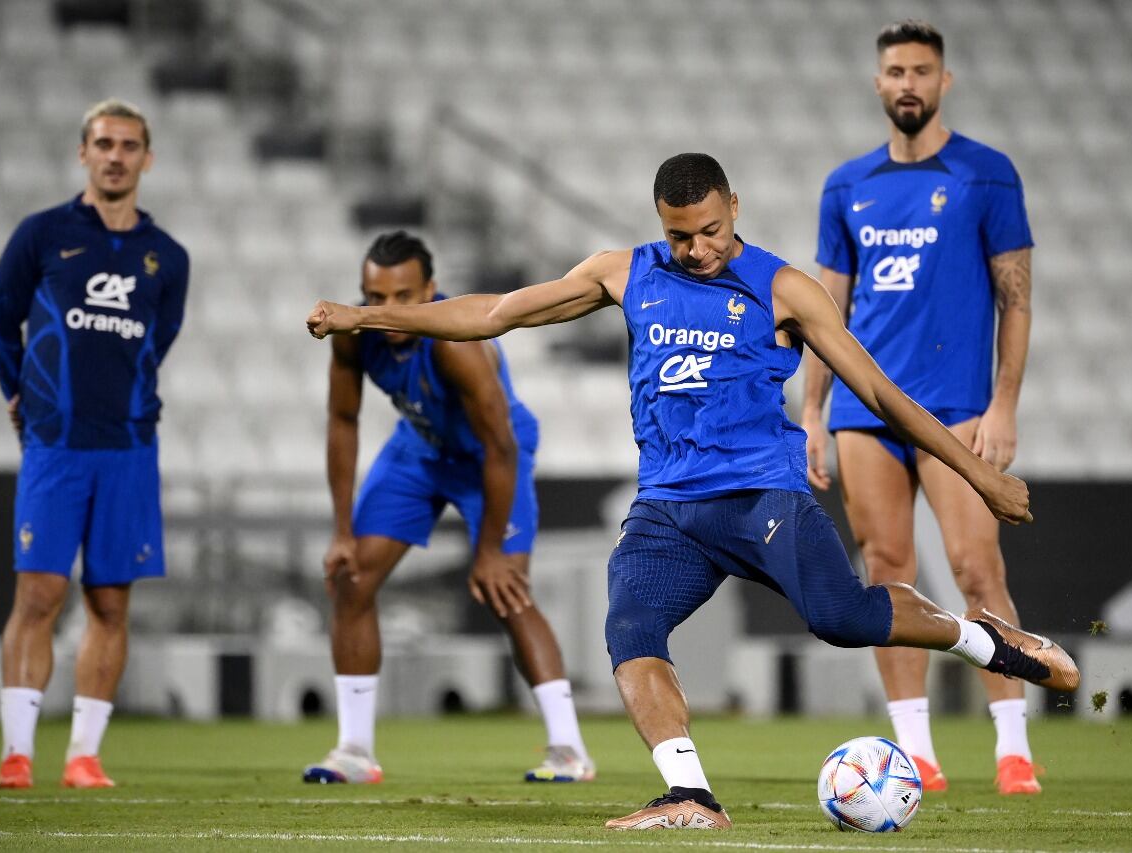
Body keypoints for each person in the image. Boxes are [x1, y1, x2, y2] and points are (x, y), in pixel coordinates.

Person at [306, 153, 1077, 830]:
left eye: (709, 229)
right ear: (660, 224)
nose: (697, 249)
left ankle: (988, 640)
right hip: (668, 510)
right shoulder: (625, 271)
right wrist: (367, 317)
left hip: (760, 499)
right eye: (680, 235)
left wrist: (979, 476)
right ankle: (690, 793)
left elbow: (877, 391)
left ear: (733, 206)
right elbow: (496, 314)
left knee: (843, 618)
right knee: (630, 621)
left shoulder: (784, 289)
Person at [800, 20, 1041, 795]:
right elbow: (824, 313)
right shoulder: (847, 186)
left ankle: (1013, 748)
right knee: (888, 571)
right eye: (895, 70)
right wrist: (812, 411)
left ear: (944, 82)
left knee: (976, 566)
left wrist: (1003, 405)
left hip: (955, 410)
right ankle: (915, 753)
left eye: (922, 70)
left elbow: (1017, 300)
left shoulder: (986, 175)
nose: (908, 82)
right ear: (878, 84)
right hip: (866, 410)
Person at [301, 231, 594, 785]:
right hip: (420, 448)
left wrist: (487, 551)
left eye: (403, 297)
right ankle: (354, 751)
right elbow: (342, 422)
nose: (385, 311)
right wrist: (342, 530)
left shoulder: (456, 345)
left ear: (433, 291)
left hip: (491, 453)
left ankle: (569, 751)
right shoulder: (354, 332)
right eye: (373, 296)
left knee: (507, 590)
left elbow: (501, 446)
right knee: (352, 577)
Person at [0, 99, 189, 789]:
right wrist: (21, 393)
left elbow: (157, 345)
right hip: (56, 446)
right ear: (83, 153)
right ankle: (16, 752)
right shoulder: (41, 236)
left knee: (110, 602)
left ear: (147, 159)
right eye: (104, 142)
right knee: (38, 593)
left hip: (130, 448)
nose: (116, 155)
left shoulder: (170, 259)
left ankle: (83, 755)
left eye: (129, 145)